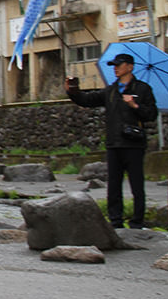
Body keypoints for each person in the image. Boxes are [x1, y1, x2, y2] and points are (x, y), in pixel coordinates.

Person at [66, 53, 158, 229]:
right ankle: (116, 221)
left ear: (130, 67)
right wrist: (73, 91)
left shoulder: (142, 89)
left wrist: (135, 106)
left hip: (134, 144)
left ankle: (137, 221)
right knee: (113, 185)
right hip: (114, 144)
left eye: (119, 65)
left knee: (137, 185)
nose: (115, 68)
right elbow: (88, 100)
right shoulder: (111, 90)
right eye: (114, 65)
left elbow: (152, 114)